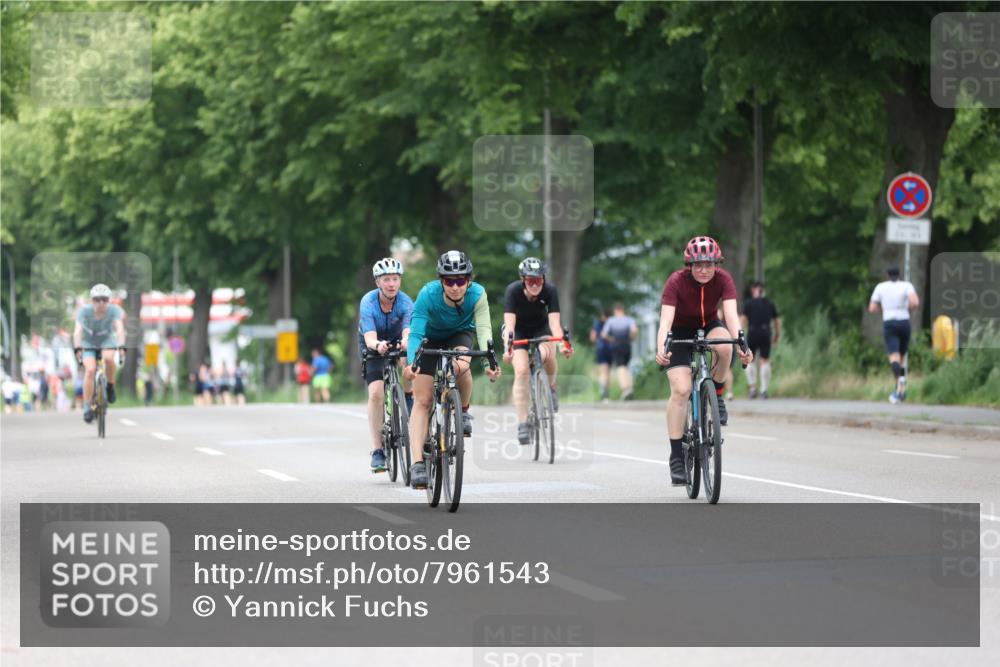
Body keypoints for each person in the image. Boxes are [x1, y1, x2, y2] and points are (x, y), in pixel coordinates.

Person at [655, 236, 753, 486]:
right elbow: (665, 322)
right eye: (698, 265)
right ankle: (677, 457)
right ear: (689, 265)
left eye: (708, 265)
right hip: (678, 332)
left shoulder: (724, 279)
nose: (703, 270)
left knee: (725, 346)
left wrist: (742, 344)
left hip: (708, 325)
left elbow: (731, 317)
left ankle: (716, 394)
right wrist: (661, 348)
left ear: (716, 265)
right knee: (681, 390)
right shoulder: (676, 281)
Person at [403, 250, 502, 489]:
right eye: (449, 281)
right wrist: (412, 363)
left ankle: (463, 410)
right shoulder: (428, 294)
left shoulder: (477, 294)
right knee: (423, 400)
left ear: (469, 280)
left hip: (460, 334)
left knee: (461, 366)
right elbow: (415, 334)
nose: (456, 287)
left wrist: (489, 363)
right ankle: (417, 464)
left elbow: (484, 330)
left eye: (461, 280)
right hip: (429, 338)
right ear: (441, 281)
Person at [501, 257, 573, 445]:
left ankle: (551, 387)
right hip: (518, 330)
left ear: (544, 279)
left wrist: (562, 345)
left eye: (539, 280)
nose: (535, 285)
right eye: (530, 280)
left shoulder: (550, 291)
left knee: (548, 353)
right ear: (523, 280)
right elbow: (509, 325)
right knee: (522, 371)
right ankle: (523, 423)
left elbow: (555, 324)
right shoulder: (512, 291)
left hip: (541, 328)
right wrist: (508, 348)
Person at [358, 257, 414, 473]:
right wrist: (377, 345)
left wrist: (406, 341)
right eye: (386, 279)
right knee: (376, 394)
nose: (391, 284)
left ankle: (408, 396)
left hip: (398, 338)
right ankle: (377, 450)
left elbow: (408, 331)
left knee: (409, 363)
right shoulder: (368, 302)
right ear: (377, 282)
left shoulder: (406, 302)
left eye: (395, 279)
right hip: (372, 342)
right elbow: (370, 338)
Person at [72, 284, 125, 424]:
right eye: (97, 299)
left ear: (109, 301)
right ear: (92, 300)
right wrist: (77, 348)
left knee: (108, 359)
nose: (101, 303)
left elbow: (119, 328)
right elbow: (77, 331)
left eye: (105, 300)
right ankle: (87, 407)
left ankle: (110, 386)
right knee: (90, 370)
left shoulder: (113, 310)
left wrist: (121, 346)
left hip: (106, 340)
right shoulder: (84, 311)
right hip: (88, 342)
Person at [868, 266, 919, 403]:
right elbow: (915, 302)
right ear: (899, 274)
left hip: (889, 322)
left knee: (894, 357)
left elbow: (872, 308)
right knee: (901, 359)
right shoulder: (906, 285)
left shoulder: (881, 287)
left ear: (887, 274)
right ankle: (900, 391)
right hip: (904, 322)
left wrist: (884, 309)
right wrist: (908, 309)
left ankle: (900, 381)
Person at [741, 280, 781, 399]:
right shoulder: (770, 303)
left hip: (752, 333)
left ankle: (753, 388)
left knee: (750, 360)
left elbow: (743, 321)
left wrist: (740, 335)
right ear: (763, 290)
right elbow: (776, 321)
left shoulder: (748, 304)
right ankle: (764, 390)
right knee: (765, 360)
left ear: (753, 290)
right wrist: (777, 334)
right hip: (765, 333)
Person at [601, 303, 638, 400]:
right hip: (627, 345)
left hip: (616, 345)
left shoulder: (611, 320)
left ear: (615, 311)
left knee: (621, 367)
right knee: (626, 367)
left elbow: (604, 334)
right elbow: (634, 330)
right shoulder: (629, 319)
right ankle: (630, 388)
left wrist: (611, 339)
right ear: (623, 310)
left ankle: (625, 390)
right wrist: (631, 338)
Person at [590, 308, 612, 401]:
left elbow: (592, 337)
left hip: (601, 349)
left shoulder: (597, 324)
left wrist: (598, 342)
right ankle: (606, 392)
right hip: (610, 349)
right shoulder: (611, 324)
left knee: (603, 371)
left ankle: (603, 390)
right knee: (608, 372)